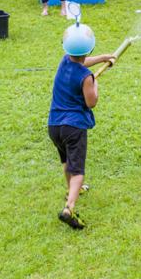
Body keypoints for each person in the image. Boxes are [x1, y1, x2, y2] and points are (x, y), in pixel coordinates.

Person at [49, 20, 116, 228]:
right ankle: (69, 208)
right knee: (78, 168)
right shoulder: (87, 78)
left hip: (55, 125)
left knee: (67, 160)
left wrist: (103, 59)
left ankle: (72, 189)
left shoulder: (64, 60)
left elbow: (81, 62)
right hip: (73, 127)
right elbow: (91, 102)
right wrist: (95, 85)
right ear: (90, 47)